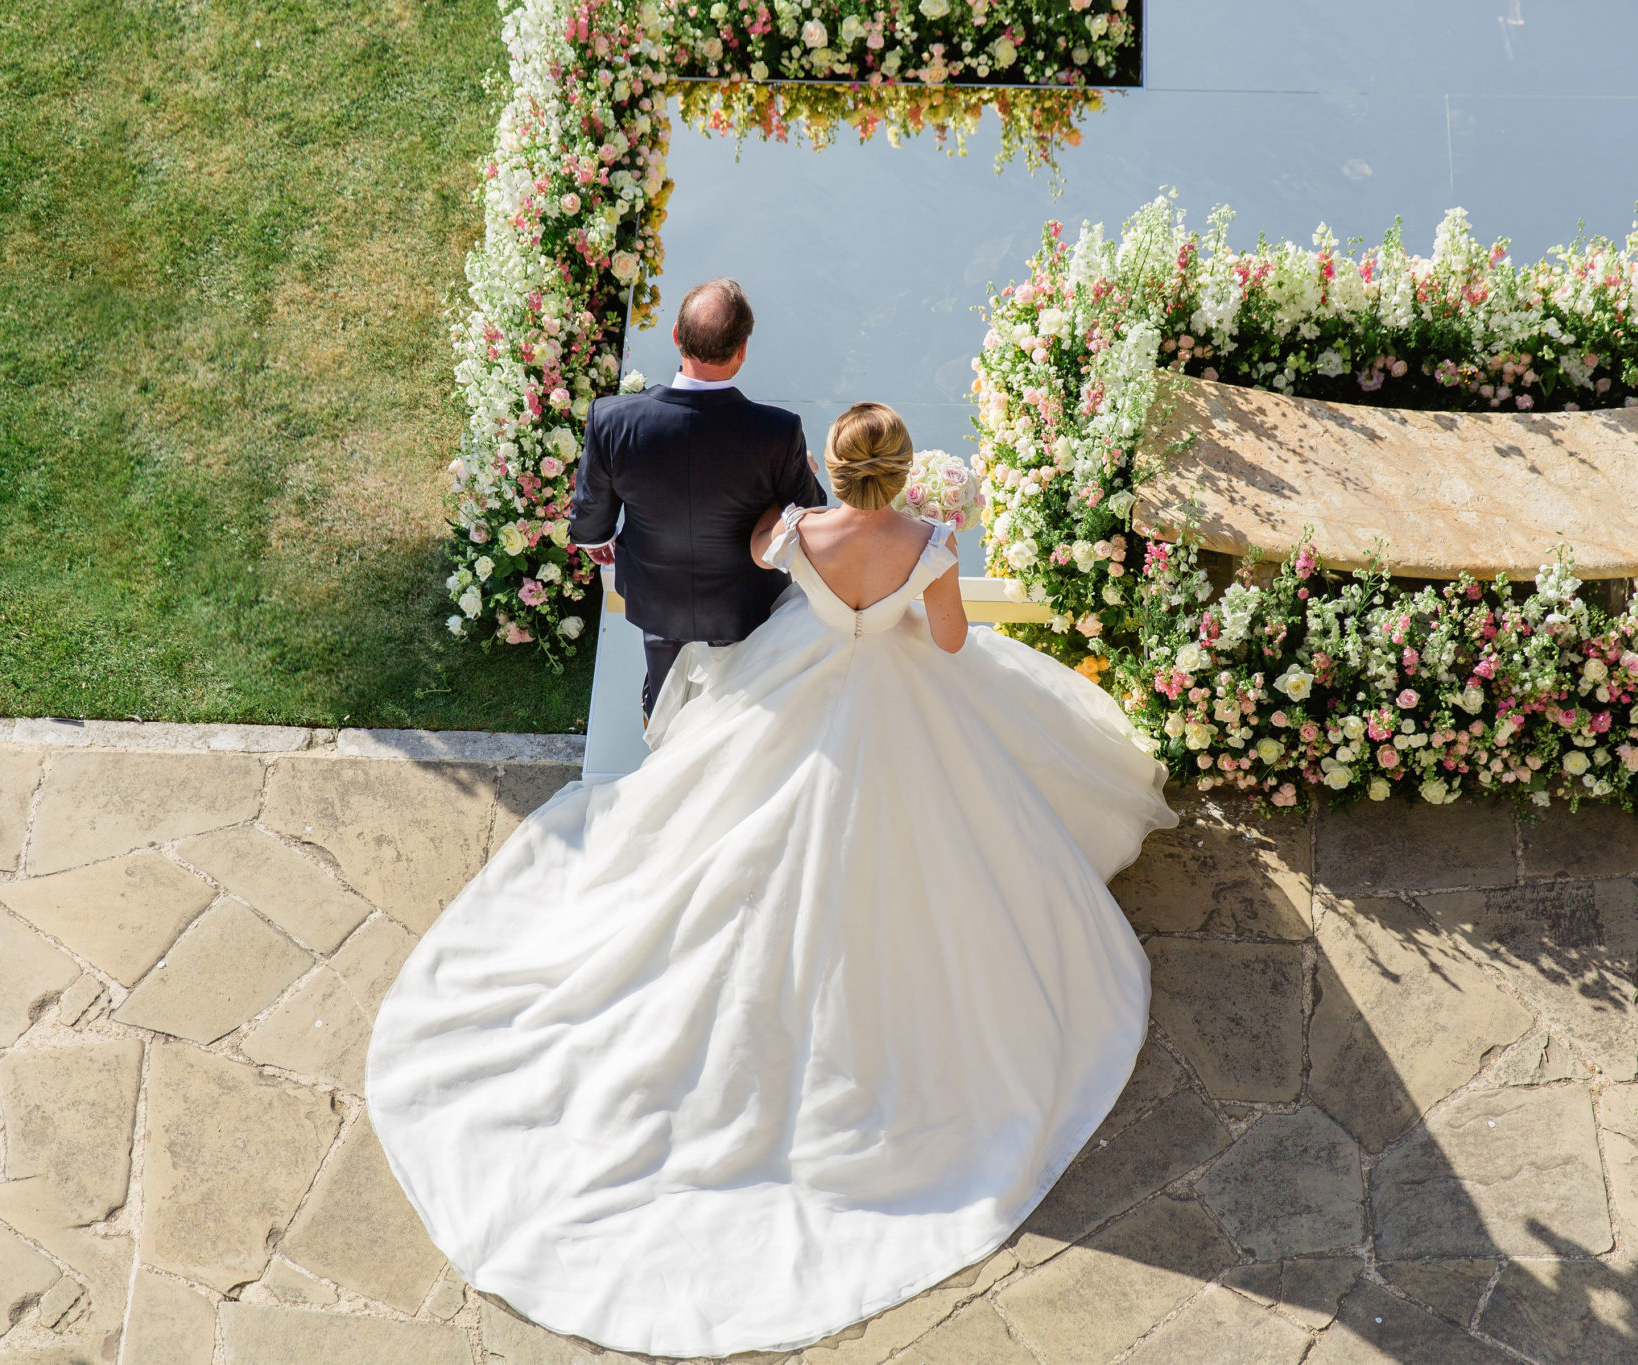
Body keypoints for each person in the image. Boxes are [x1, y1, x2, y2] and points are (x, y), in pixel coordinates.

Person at [366, 401, 1177, 1359]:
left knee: (727, 836)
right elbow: (954, 643)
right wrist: (916, 585)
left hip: (798, 686)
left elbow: (761, 558)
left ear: (834, 472)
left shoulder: (799, 532)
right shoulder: (931, 539)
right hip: (902, 695)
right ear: (907, 473)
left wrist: (788, 534)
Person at [568, 278, 826, 718]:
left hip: (656, 595)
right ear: (742, 351)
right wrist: (801, 466)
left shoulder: (613, 419)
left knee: (663, 679)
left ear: (675, 336)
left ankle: (660, 722)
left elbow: (592, 516)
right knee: (739, 696)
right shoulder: (776, 432)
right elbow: (810, 515)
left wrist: (596, 540)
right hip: (743, 602)